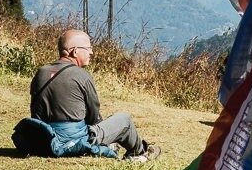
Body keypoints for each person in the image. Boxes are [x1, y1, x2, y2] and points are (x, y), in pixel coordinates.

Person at [29, 29, 160, 162]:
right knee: (123, 120)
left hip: (43, 139)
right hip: (73, 140)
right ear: (74, 51)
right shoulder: (82, 76)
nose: (91, 52)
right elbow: (93, 116)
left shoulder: (41, 72)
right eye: (88, 48)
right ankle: (140, 152)